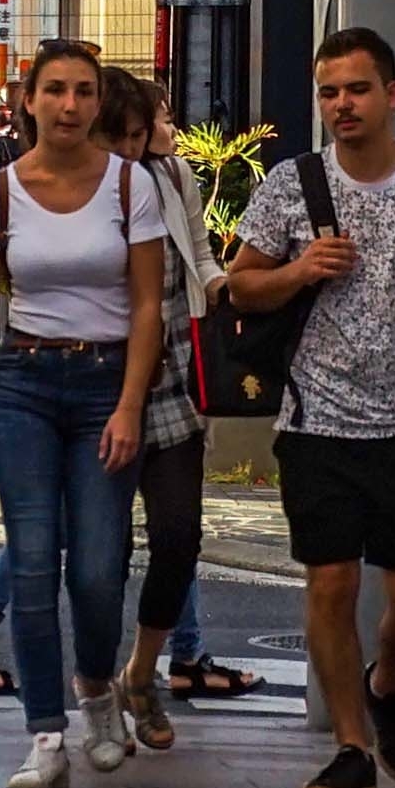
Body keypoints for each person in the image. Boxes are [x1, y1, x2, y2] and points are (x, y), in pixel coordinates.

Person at [220, 24, 395, 788]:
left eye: (357, 89)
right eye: (329, 92)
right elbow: (239, 286)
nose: (342, 105)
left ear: (392, 94)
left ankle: (385, 685)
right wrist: (301, 268)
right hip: (318, 421)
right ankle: (350, 745)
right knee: (330, 582)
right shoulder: (292, 184)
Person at [0, 39, 172, 788]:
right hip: (25, 385)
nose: (69, 106)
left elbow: (147, 306)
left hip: (107, 380)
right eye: (55, 91)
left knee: (101, 568)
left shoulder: (131, 187)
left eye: (83, 92)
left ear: (98, 103)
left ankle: (98, 689)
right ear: (28, 101)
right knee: (33, 563)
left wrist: (132, 404)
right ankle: (46, 734)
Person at [100, 67, 260, 732]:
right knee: (95, 553)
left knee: (178, 535)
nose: (133, 150)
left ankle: (142, 669)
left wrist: (236, 291)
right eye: (122, 138)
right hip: (96, 386)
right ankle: (92, 691)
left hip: (171, 381)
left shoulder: (170, 178)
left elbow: (199, 256)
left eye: (140, 136)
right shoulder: (67, 191)